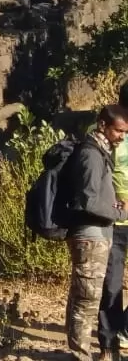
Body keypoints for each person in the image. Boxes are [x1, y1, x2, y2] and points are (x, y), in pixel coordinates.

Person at [64, 104, 128, 361]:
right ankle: (81, 355)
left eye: (124, 132)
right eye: (118, 131)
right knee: (86, 302)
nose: (121, 137)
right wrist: (120, 214)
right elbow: (89, 201)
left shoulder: (100, 151)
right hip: (90, 236)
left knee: (84, 299)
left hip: (98, 234)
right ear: (102, 125)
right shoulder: (91, 154)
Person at [99, 84, 128, 359]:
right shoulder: (109, 133)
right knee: (112, 285)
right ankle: (108, 346)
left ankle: (124, 330)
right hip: (115, 223)